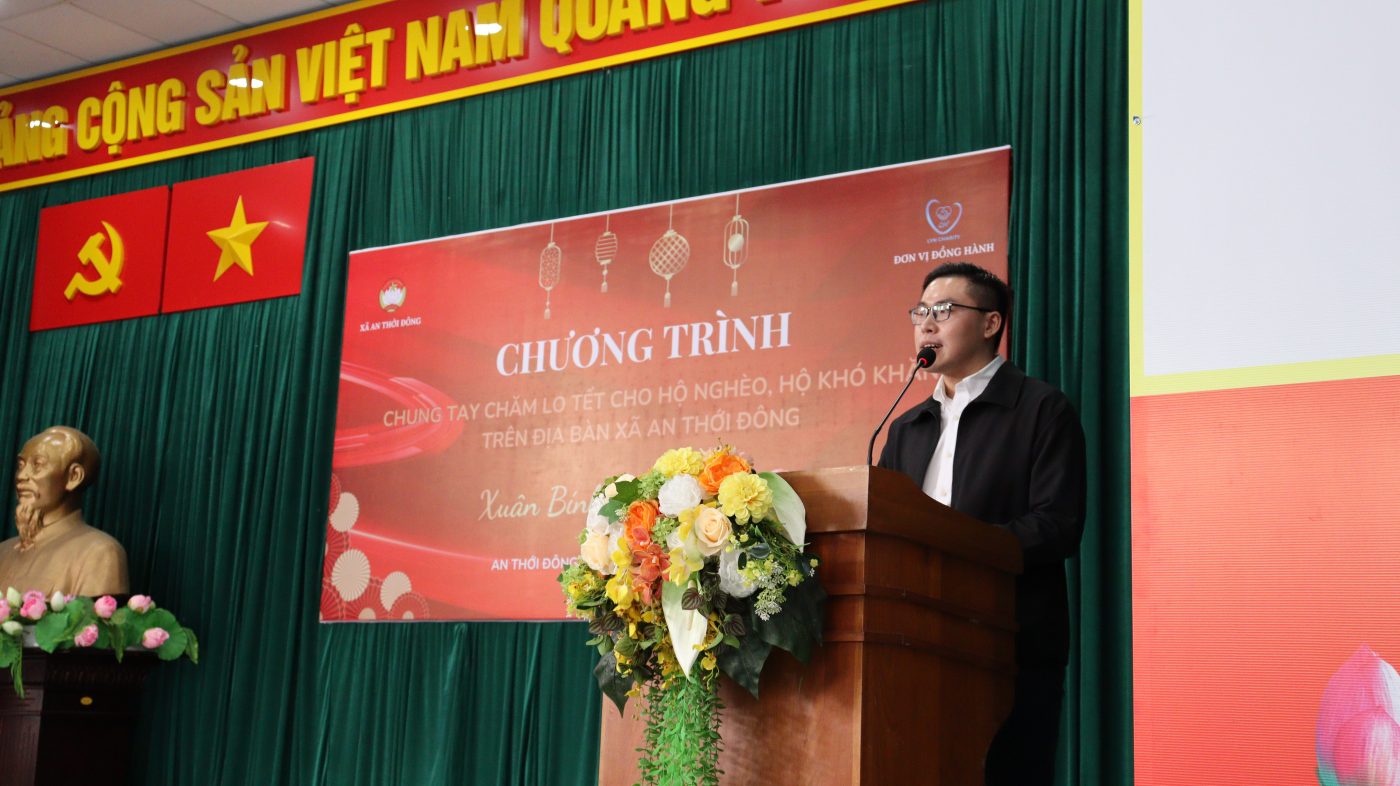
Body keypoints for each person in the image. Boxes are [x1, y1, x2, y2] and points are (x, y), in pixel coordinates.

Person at [877, 262, 1086, 786]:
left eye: (945, 311)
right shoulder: (905, 429)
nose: (927, 323)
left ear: (992, 323)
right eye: (921, 312)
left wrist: (961, 548)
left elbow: (1057, 524)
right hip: (912, 646)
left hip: (1011, 649)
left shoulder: (1041, 409)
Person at [0, 426, 129, 597]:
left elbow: (89, 614)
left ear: (73, 476)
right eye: (21, 465)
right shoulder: (3, 551)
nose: (21, 476)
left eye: (37, 465)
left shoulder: (100, 553)